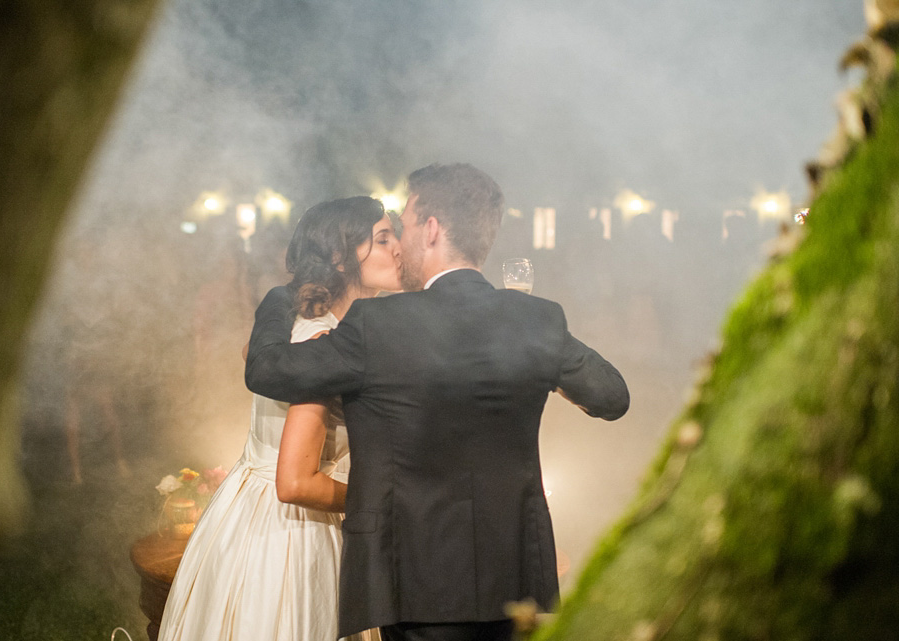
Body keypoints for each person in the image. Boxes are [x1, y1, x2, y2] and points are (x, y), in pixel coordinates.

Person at [245, 163, 630, 641]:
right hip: (512, 578)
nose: (399, 242)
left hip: (413, 579)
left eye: (403, 226)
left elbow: (267, 371)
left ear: (430, 230)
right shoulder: (537, 319)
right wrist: (538, 360)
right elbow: (612, 397)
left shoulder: (376, 324)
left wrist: (281, 299)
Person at [158, 196, 400, 641]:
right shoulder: (321, 344)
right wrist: (389, 500)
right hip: (294, 536)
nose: (398, 248)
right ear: (339, 257)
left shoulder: (301, 326)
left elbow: (250, 353)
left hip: (245, 514)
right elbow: (296, 483)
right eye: (383, 239)